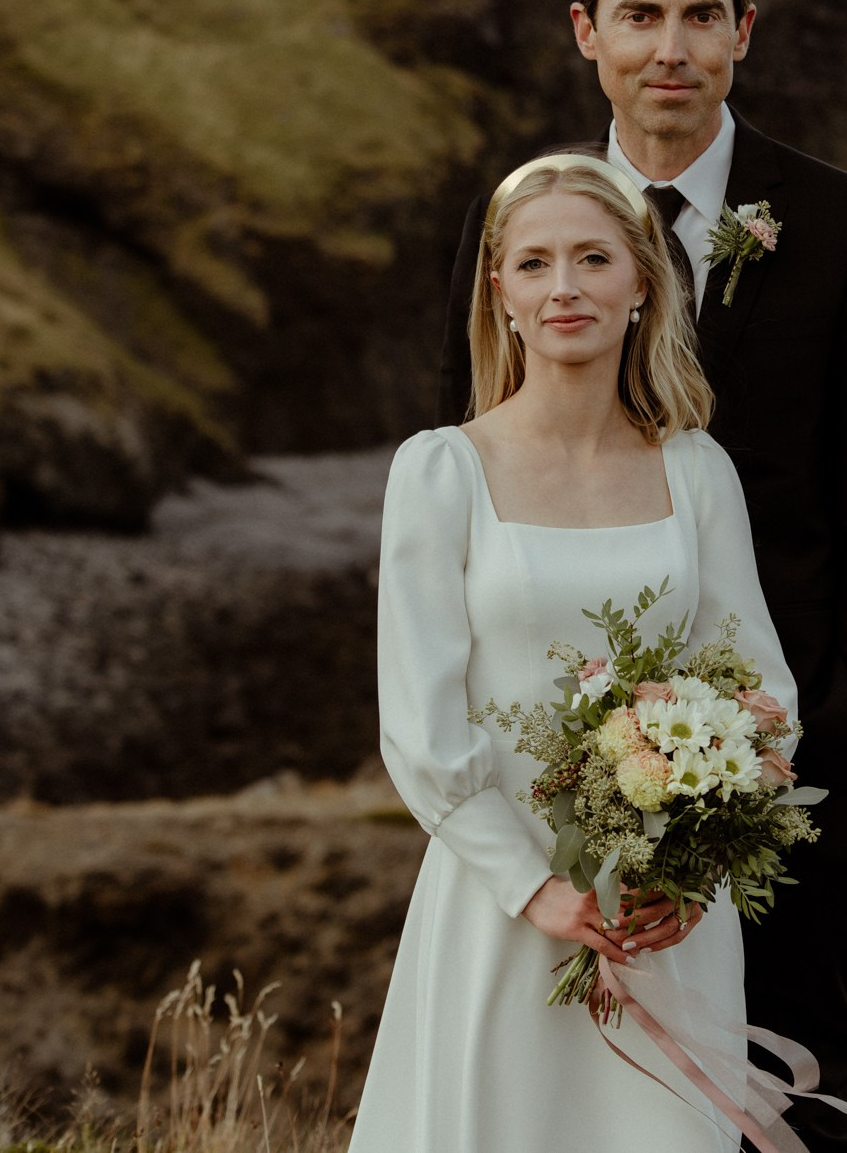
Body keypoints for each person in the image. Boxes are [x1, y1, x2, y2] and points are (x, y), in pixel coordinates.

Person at [437, 0, 847, 1152]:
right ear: (584, 33)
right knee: (574, 1095)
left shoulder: (840, 222)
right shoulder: (516, 232)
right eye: (640, 15)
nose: (672, 46)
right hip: (560, 776)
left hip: (791, 750)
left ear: (743, 32)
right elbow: (470, 474)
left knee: (792, 1086)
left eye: (701, 15)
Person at [350, 154, 797, 1152]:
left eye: (593, 258)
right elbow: (417, 722)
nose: (564, 288)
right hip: (500, 902)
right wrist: (532, 886)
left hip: (660, 916)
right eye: (535, 262)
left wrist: (690, 873)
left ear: (641, 282)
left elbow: (763, 692)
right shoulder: (441, 473)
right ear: (498, 291)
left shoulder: (695, 471)